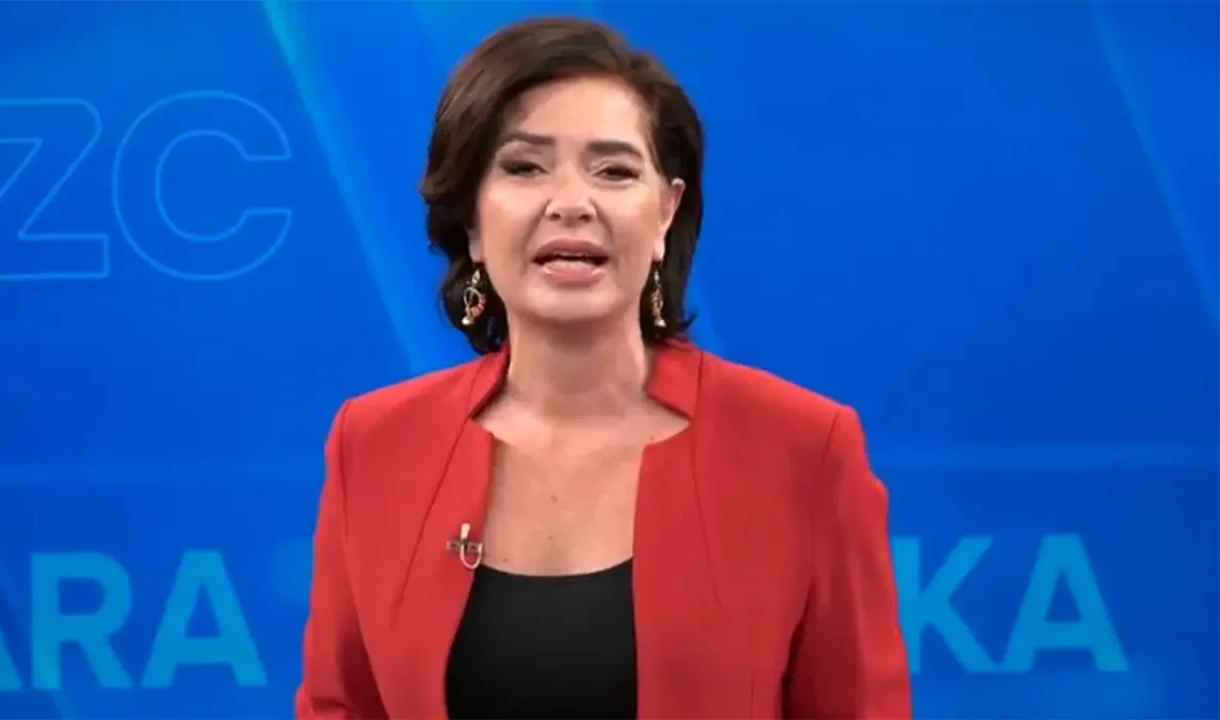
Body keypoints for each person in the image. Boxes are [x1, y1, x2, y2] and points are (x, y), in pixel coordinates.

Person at [295, 15, 911, 720]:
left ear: (665, 214)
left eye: (614, 171)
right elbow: (339, 706)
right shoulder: (374, 443)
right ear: (471, 216)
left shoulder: (802, 448)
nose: (571, 204)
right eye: (525, 167)